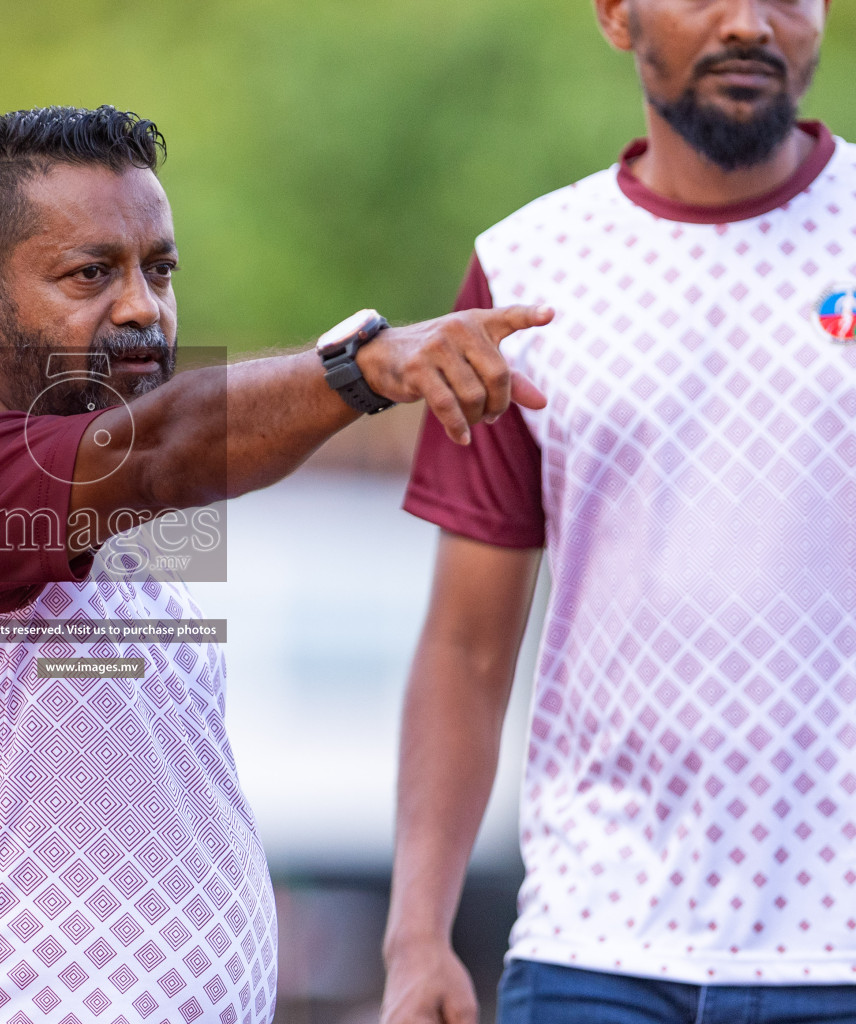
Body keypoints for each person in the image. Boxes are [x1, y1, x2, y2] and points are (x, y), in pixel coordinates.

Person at [0, 104, 550, 1024]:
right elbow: (171, 444)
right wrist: (363, 369)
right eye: (91, 274)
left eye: (158, 269)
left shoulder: (117, 525)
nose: (142, 307)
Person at [381, 1, 856, 1023]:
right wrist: (416, 937)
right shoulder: (527, 272)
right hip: (595, 948)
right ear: (614, 15)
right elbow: (467, 645)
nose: (750, 23)